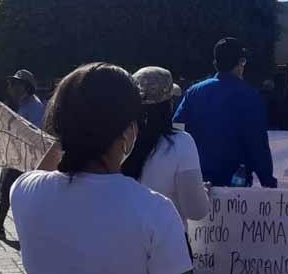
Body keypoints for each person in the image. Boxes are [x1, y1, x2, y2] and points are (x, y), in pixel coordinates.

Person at [10, 63, 193, 274]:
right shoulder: (155, 212)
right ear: (129, 130)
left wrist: (67, 133)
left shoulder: (24, 191)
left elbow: (41, 172)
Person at [173, 37, 276, 187]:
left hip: (196, 182)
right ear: (240, 64)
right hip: (235, 186)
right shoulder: (250, 96)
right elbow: (258, 144)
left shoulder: (193, 92)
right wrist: (268, 181)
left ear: (216, 63)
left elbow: (176, 129)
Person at [123, 66, 209, 227]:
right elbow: (196, 211)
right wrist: (202, 192)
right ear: (169, 104)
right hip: (167, 244)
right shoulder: (181, 143)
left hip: (124, 244)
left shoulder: (117, 143)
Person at [0, 69, 45, 240]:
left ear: (26, 86)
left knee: (14, 191)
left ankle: (20, 229)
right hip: (18, 155)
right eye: (12, 83)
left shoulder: (34, 106)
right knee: (10, 190)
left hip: (26, 158)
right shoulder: (22, 104)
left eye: (16, 83)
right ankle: (1, 227)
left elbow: (34, 133)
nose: (12, 86)